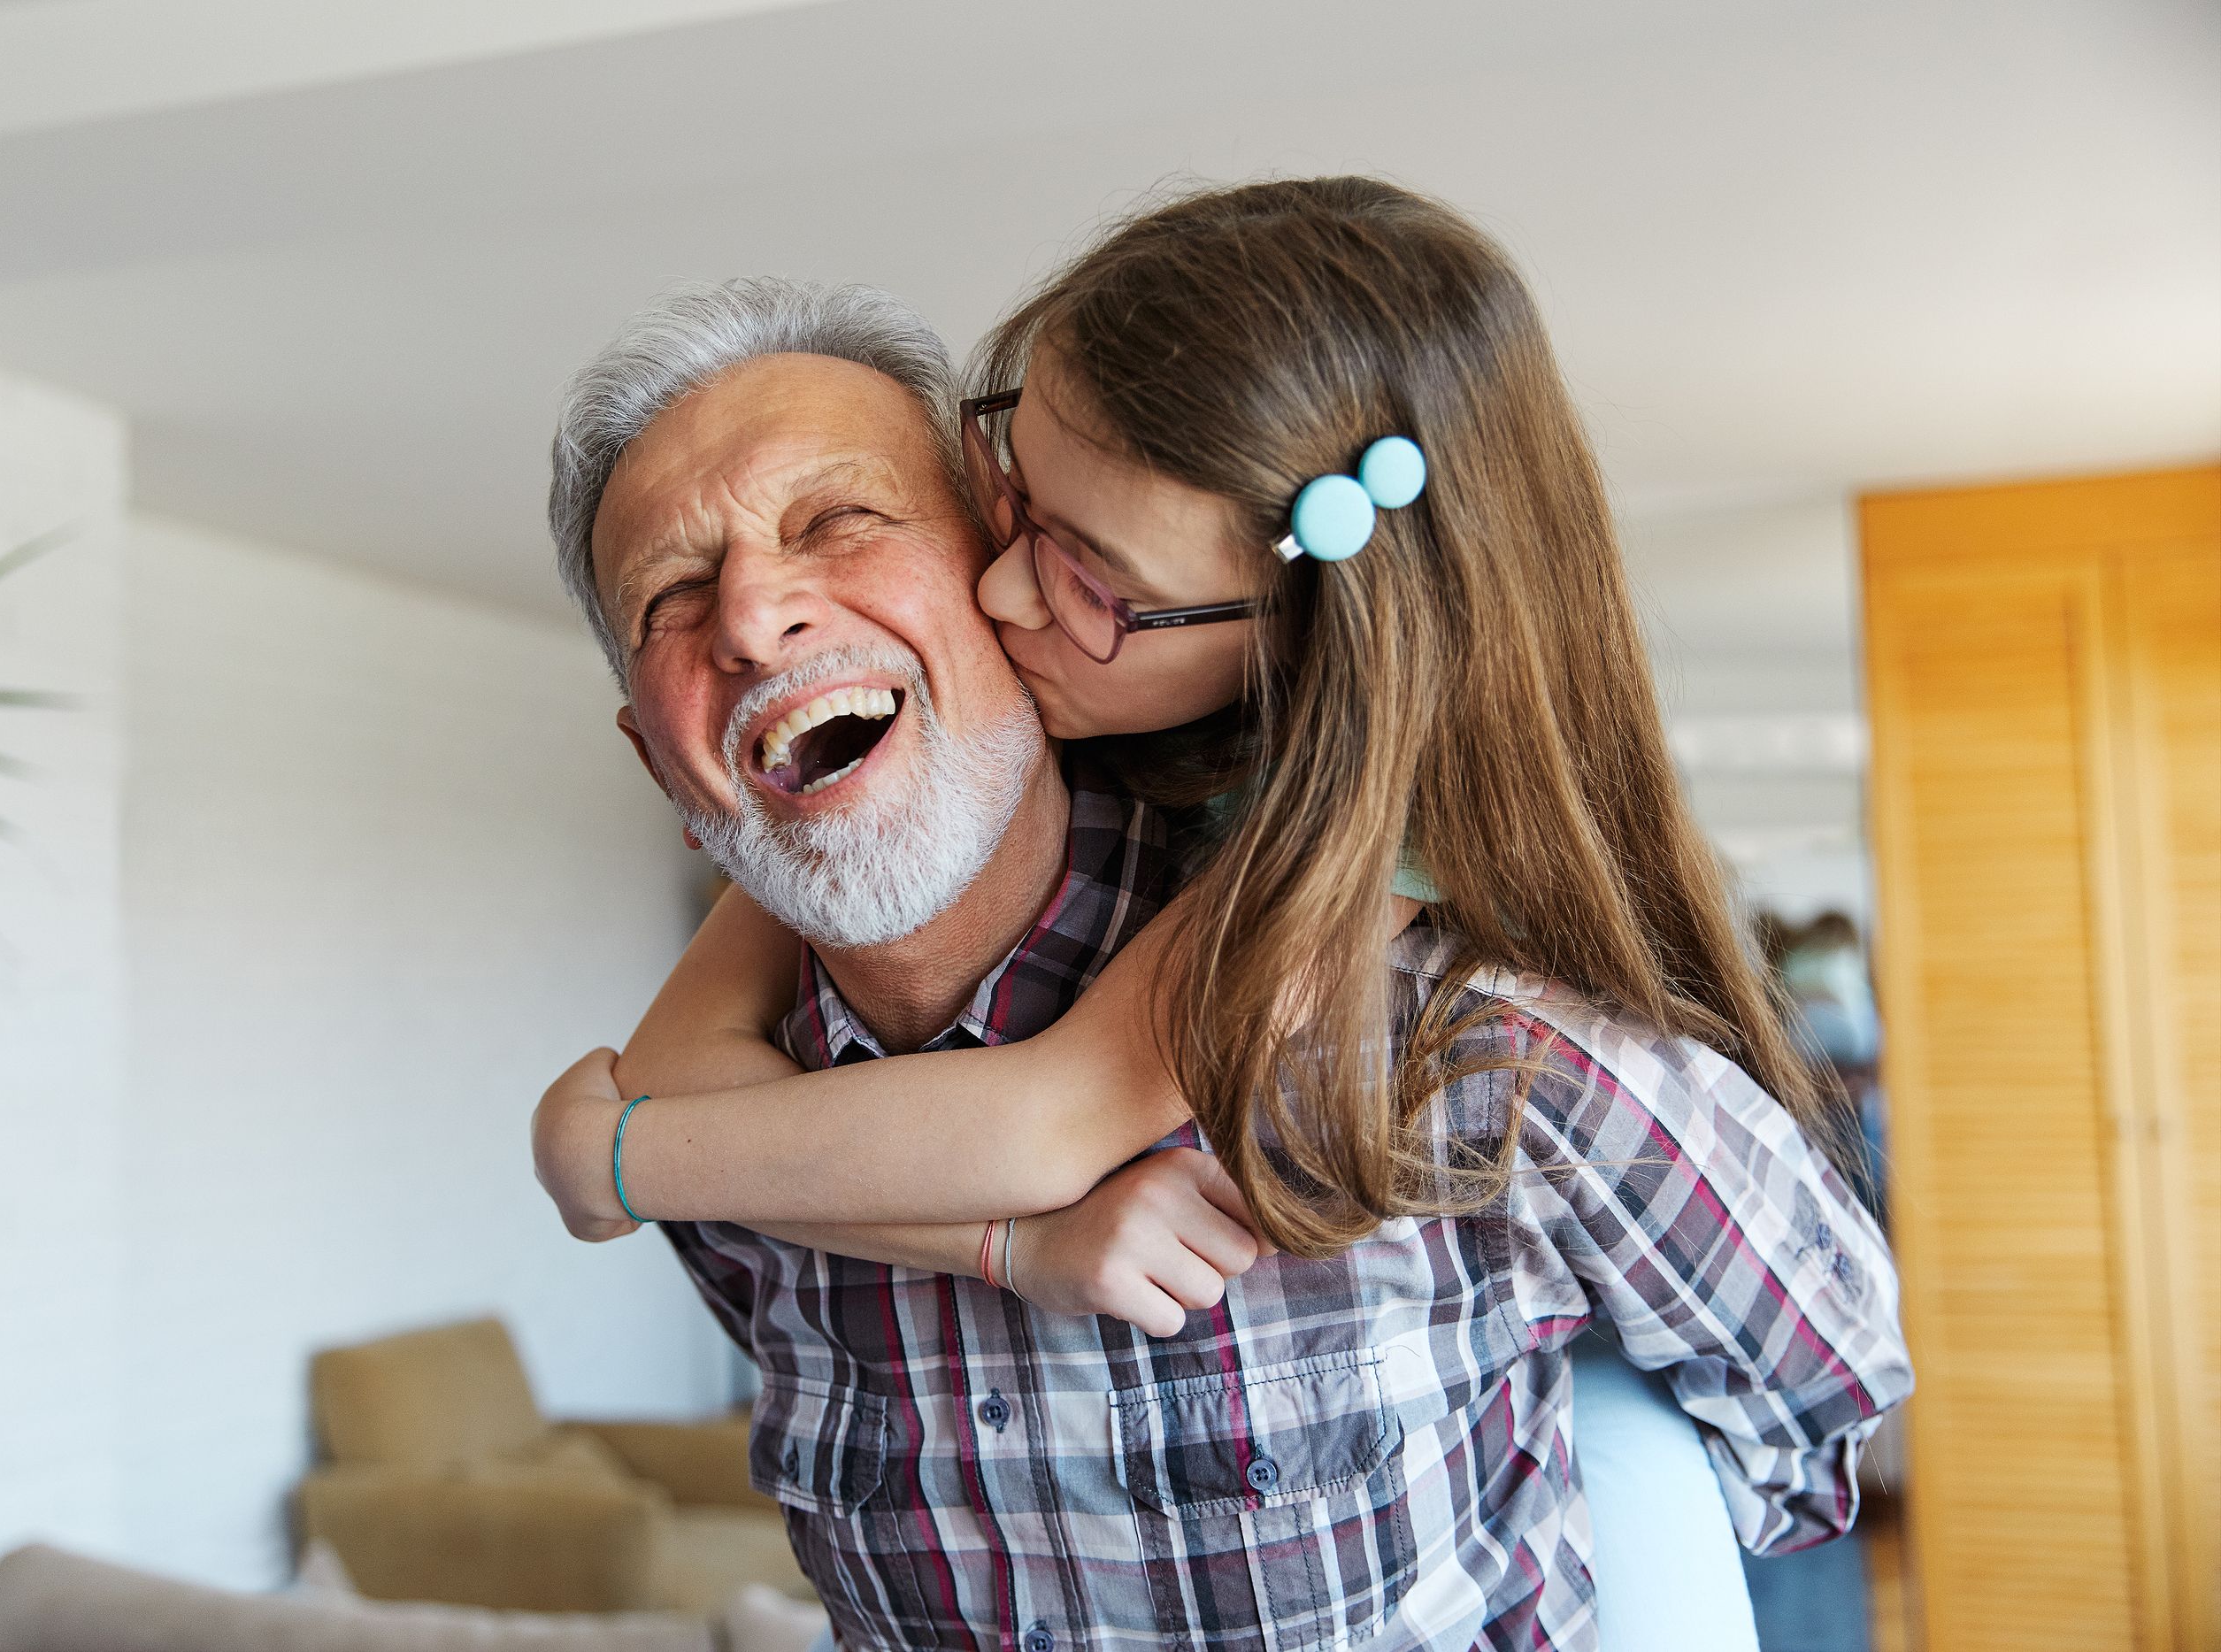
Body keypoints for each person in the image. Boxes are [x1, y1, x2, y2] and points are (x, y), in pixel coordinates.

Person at [536, 177, 1910, 1651]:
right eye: (675, 594)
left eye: (844, 520)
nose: (751, 615)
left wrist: (1636, 1520)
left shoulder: (1416, 994)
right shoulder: (752, 1111)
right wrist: (990, 1242)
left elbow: (1820, 1375)